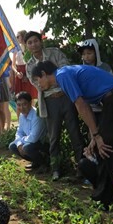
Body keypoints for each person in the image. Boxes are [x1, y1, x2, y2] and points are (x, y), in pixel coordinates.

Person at [32, 61, 113, 208]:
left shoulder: (62, 76)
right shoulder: (66, 73)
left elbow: (80, 105)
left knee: (106, 150)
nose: (38, 85)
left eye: (37, 80)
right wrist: (94, 136)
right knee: (109, 149)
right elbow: (87, 108)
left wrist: (97, 136)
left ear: (44, 74)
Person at [25, 31, 83, 181]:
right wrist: (51, 81)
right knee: (53, 137)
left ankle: (82, 169)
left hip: (67, 98)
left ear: (41, 41)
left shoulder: (55, 53)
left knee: (75, 134)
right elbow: (39, 85)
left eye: (35, 41)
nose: (33, 44)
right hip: (49, 102)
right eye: (30, 42)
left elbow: (66, 70)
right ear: (26, 46)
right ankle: (55, 169)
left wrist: (51, 82)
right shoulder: (30, 65)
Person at [8, 91, 48, 170]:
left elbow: (33, 138)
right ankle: (36, 162)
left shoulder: (36, 116)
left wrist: (21, 141)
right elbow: (19, 132)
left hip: (42, 143)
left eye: (24, 104)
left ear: (30, 103)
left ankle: (44, 162)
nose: (22, 107)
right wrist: (19, 143)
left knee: (26, 147)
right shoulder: (22, 116)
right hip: (30, 142)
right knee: (13, 146)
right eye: (19, 105)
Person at [77, 39, 113, 123]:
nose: (86, 56)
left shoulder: (105, 68)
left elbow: (111, 86)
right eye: (84, 54)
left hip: (105, 108)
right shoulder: (80, 70)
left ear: (96, 53)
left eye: (89, 53)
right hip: (89, 109)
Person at [12, 30, 37, 100]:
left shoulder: (30, 48)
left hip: (29, 72)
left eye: (18, 36)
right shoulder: (16, 49)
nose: (17, 38)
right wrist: (16, 73)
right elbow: (13, 65)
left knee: (30, 97)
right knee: (20, 97)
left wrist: (28, 75)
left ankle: (32, 110)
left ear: (23, 36)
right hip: (19, 73)